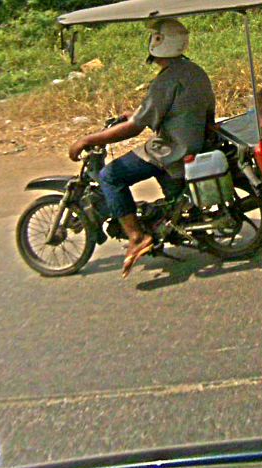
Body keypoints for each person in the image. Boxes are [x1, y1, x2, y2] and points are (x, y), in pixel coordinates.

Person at [69, 18, 216, 278]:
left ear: (159, 42)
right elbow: (171, 109)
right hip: (193, 141)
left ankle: (137, 237)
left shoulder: (166, 80)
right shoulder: (194, 71)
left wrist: (89, 140)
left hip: (171, 149)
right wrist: (137, 114)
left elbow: (135, 128)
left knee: (110, 175)